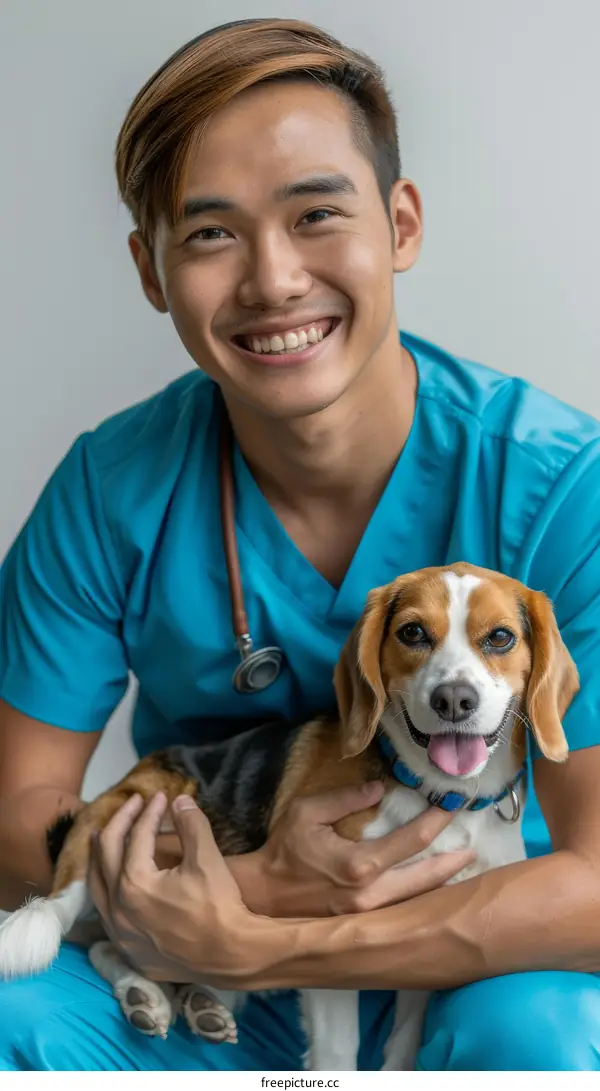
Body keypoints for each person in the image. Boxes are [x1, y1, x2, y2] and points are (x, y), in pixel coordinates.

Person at [1, 16, 600, 1073]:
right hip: (188, 943)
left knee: (539, 1038)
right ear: (151, 269)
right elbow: (17, 807)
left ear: (401, 223)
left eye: (317, 212)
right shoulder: (109, 489)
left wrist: (284, 925)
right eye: (211, 233)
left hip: (490, 940)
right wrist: (227, 893)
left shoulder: (563, 487)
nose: (273, 280)